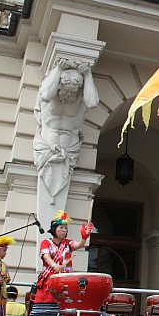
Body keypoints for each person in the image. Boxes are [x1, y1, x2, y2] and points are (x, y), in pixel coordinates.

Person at [11, 210, 93, 316]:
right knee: (36, 313)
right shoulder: (46, 242)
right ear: (54, 229)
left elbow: (78, 245)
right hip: (49, 282)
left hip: (66, 283)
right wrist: (55, 266)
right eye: (61, 227)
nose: (64, 230)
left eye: (65, 228)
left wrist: (84, 237)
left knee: (69, 313)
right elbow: (46, 256)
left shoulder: (68, 243)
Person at [33, 58, 99, 206]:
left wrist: (87, 74)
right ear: (59, 85)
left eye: (73, 92)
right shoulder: (50, 92)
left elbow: (93, 102)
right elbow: (45, 95)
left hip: (69, 150)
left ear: (79, 89)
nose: (69, 95)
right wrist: (58, 70)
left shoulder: (82, 97)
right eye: (66, 91)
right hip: (47, 147)